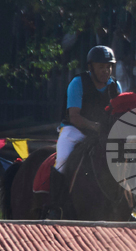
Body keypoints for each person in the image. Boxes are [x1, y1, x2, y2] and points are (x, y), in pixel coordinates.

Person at [49, 45, 121, 218]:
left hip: (102, 133)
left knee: (124, 159)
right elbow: (74, 116)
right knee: (62, 160)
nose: (106, 71)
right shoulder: (78, 83)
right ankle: (55, 206)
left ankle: (126, 206)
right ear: (91, 67)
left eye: (108, 67)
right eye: (101, 67)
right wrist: (96, 127)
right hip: (74, 130)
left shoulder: (115, 86)